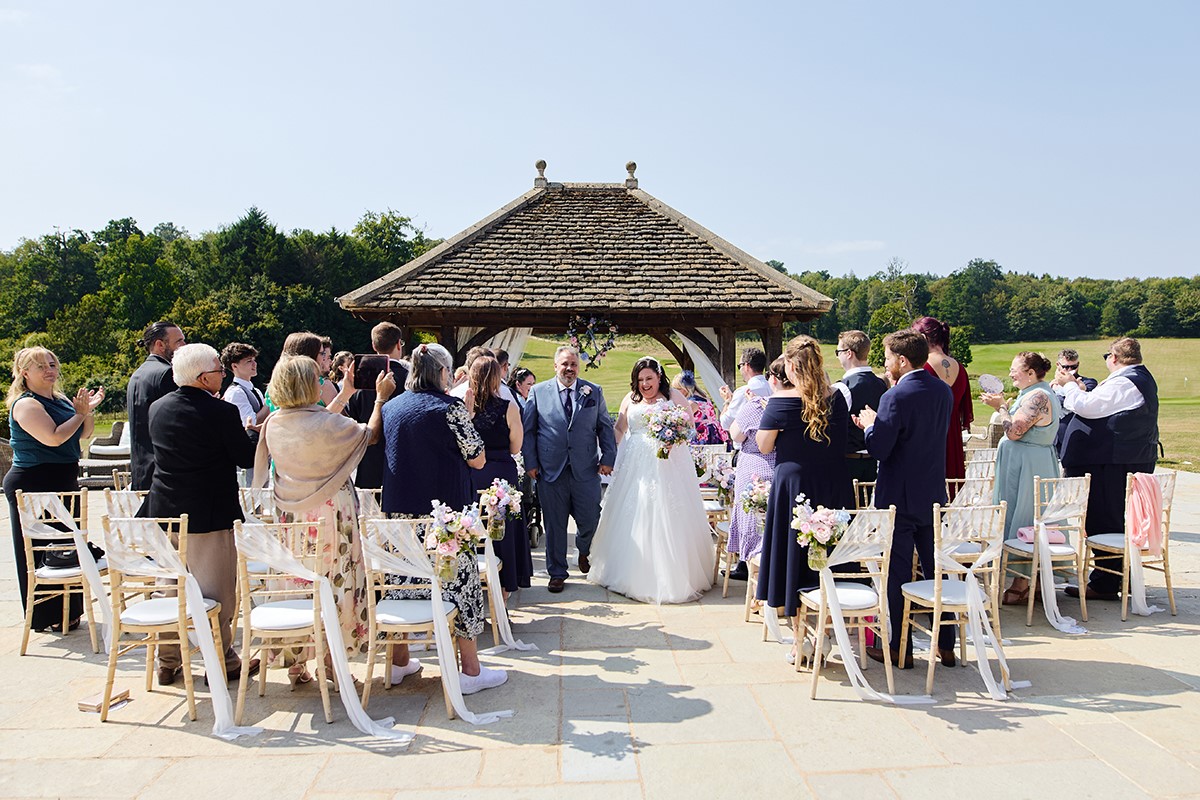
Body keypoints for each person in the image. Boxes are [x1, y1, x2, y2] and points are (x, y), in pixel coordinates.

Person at [252, 354, 398, 685]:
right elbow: (369, 434)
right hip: (331, 515)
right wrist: (379, 398)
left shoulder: (275, 422)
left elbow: (314, 423)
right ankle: (332, 663)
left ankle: (295, 661)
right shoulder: (325, 423)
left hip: (291, 517)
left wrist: (344, 393)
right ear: (308, 385)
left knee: (295, 585)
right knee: (335, 586)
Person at [380, 343, 506, 695]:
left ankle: (399, 662)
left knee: (402, 581)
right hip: (443, 515)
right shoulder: (450, 408)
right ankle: (470, 669)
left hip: (400, 515)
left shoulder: (391, 407)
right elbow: (477, 458)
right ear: (441, 374)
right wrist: (465, 413)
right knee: (460, 584)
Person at [143, 343, 259, 686]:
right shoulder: (220, 412)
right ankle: (222, 660)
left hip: (164, 509)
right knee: (218, 592)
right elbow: (244, 457)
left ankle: (168, 660)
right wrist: (258, 435)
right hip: (208, 512)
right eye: (219, 370)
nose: (223, 375)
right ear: (202, 376)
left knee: (169, 588)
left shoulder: (157, 408)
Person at [855, 330, 954, 669]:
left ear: (901, 360)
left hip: (898, 497)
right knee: (936, 568)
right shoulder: (943, 390)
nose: (885, 365)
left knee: (897, 574)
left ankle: (898, 648)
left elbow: (880, 447)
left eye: (886, 358)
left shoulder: (894, 396)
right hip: (932, 493)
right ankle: (947, 643)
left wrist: (869, 426)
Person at [755, 337, 853, 651]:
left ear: (793, 367)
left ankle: (803, 641)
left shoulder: (781, 401)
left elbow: (764, 445)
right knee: (827, 558)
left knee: (794, 559)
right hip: (832, 483)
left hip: (794, 487)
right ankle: (824, 631)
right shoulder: (836, 398)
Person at [589, 357, 714, 603]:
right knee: (634, 512)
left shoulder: (673, 397)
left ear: (659, 378)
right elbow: (619, 429)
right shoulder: (629, 399)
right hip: (635, 466)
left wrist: (673, 435)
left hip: (667, 465)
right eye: (640, 380)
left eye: (649, 379)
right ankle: (627, 572)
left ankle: (669, 576)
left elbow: (689, 427)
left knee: (666, 513)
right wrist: (606, 452)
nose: (645, 384)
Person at [4, 347, 104, 632]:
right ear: (25, 373)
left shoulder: (59, 399)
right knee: (40, 550)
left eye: (52, 364)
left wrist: (87, 413)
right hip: (34, 482)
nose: (49, 370)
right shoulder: (26, 404)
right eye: (40, 366)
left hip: (63, 479)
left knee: (67, 547)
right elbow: (53, 438)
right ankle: (44, 617)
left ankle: (69, 614)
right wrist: (79, 413)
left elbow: (83, 433)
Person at [1054, 337, 1159, 601]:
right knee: (1108, 519)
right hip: (1115, 460)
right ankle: (1120, 575)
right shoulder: (1133, 379)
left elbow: (1088, 407)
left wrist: (1069, 387)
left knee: (1104, 519)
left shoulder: (1126, 381)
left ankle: (1105, 582)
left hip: (1113, 463)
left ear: (1113, 357)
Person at [521, 346, 617, 593]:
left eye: (574, 364)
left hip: (586, 470)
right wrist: (530, 463)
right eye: (565, 364)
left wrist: (608, 457)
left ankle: (584, 551)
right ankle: (557, 572)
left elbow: (605, 427)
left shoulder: (592, 392)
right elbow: (528, 431)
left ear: (578, 367)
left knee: (590, 520)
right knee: (554, 525)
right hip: (550, 471)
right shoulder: (538, 392)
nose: (569, 369)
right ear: (555, 366)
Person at [981, 352, 1061, 604]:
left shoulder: (1038, 395)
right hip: (1025, 462)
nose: (1011, 372)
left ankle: (1022, 582)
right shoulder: (1034, 393)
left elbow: (1015, 431)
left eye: (1015, 369)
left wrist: (1001, 407)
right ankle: (1031, 579)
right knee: (1020, 514)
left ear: (1030, 372)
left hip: (1028, 467)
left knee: (1024, 517)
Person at [468, 356, 532, 594]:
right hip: (502, 476)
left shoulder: (464, 408)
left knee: (473, 527)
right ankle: (503, 592)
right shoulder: (509, 407)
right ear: (497, 378)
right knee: (503, 530)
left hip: (473, 473)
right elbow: (516, 447)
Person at [723, 357, 787, 579]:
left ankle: (750, 563)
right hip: (779, 464)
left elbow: (735, 434)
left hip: (753, 465)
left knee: (750, 515)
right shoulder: (788, 404)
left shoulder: (755, 405)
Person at [347, 322, 409, 490]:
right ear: (398, 344)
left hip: (368, 464)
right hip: (401, 462)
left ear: (374, 346)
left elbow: (351, 419)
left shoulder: (358, 383)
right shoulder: (411, 381)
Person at [912, 316, 972, 488]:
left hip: (928, 436)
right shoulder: (960, 368)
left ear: (922, 338)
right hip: (952, 436)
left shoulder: (922, 368)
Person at [128, 321, 186, 490]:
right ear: (160, 345)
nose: (184, 346)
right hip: (163, 470)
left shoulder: (138, 373)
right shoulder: (167, 373)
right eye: (179, 341)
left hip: (141, 467)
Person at [831, 330, 888, 483]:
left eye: (839, 352)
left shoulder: (842, 388)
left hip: (848, 462)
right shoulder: (881, 384)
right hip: (873, 462)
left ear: (849, 353)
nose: (838, 356)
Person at [267, 332, 344, 412]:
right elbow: (337, 418)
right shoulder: (321, 384)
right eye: (321, 354)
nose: (323, 359)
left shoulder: (274, 387)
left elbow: (271, 417)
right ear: (309, 356)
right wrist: (346, 392)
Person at [718, 346, 772, 448]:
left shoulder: (744, 391)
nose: (740, 370)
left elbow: (725, 423)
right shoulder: (772, 388)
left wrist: (727, 401)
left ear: (747, 366)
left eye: (740, 366)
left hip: (747, 448)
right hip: (771, 446)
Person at [1051, 348, 1098, 459]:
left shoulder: (1088, 382)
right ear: (1058, 365)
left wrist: (1068, 387)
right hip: (1053, 439)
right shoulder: (1050, 385)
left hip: (1075, 439)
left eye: (1074, 367)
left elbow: (1068, 403)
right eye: (1066, 367)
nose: (1070, 370)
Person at [672, 371, 728, 446]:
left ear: (686, 388)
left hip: (704, 435)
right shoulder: (704, 397)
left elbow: (681, 421)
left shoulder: (692, 403)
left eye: (678, 389)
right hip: (715, 432)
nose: (675, 391)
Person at [220, 343, 268, 426]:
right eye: (249, 361)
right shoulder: (235, 393)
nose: (254, 364)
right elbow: (250, 424)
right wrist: (271, 401)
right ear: (234, 366)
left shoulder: (256, 391)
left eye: (254, 360)